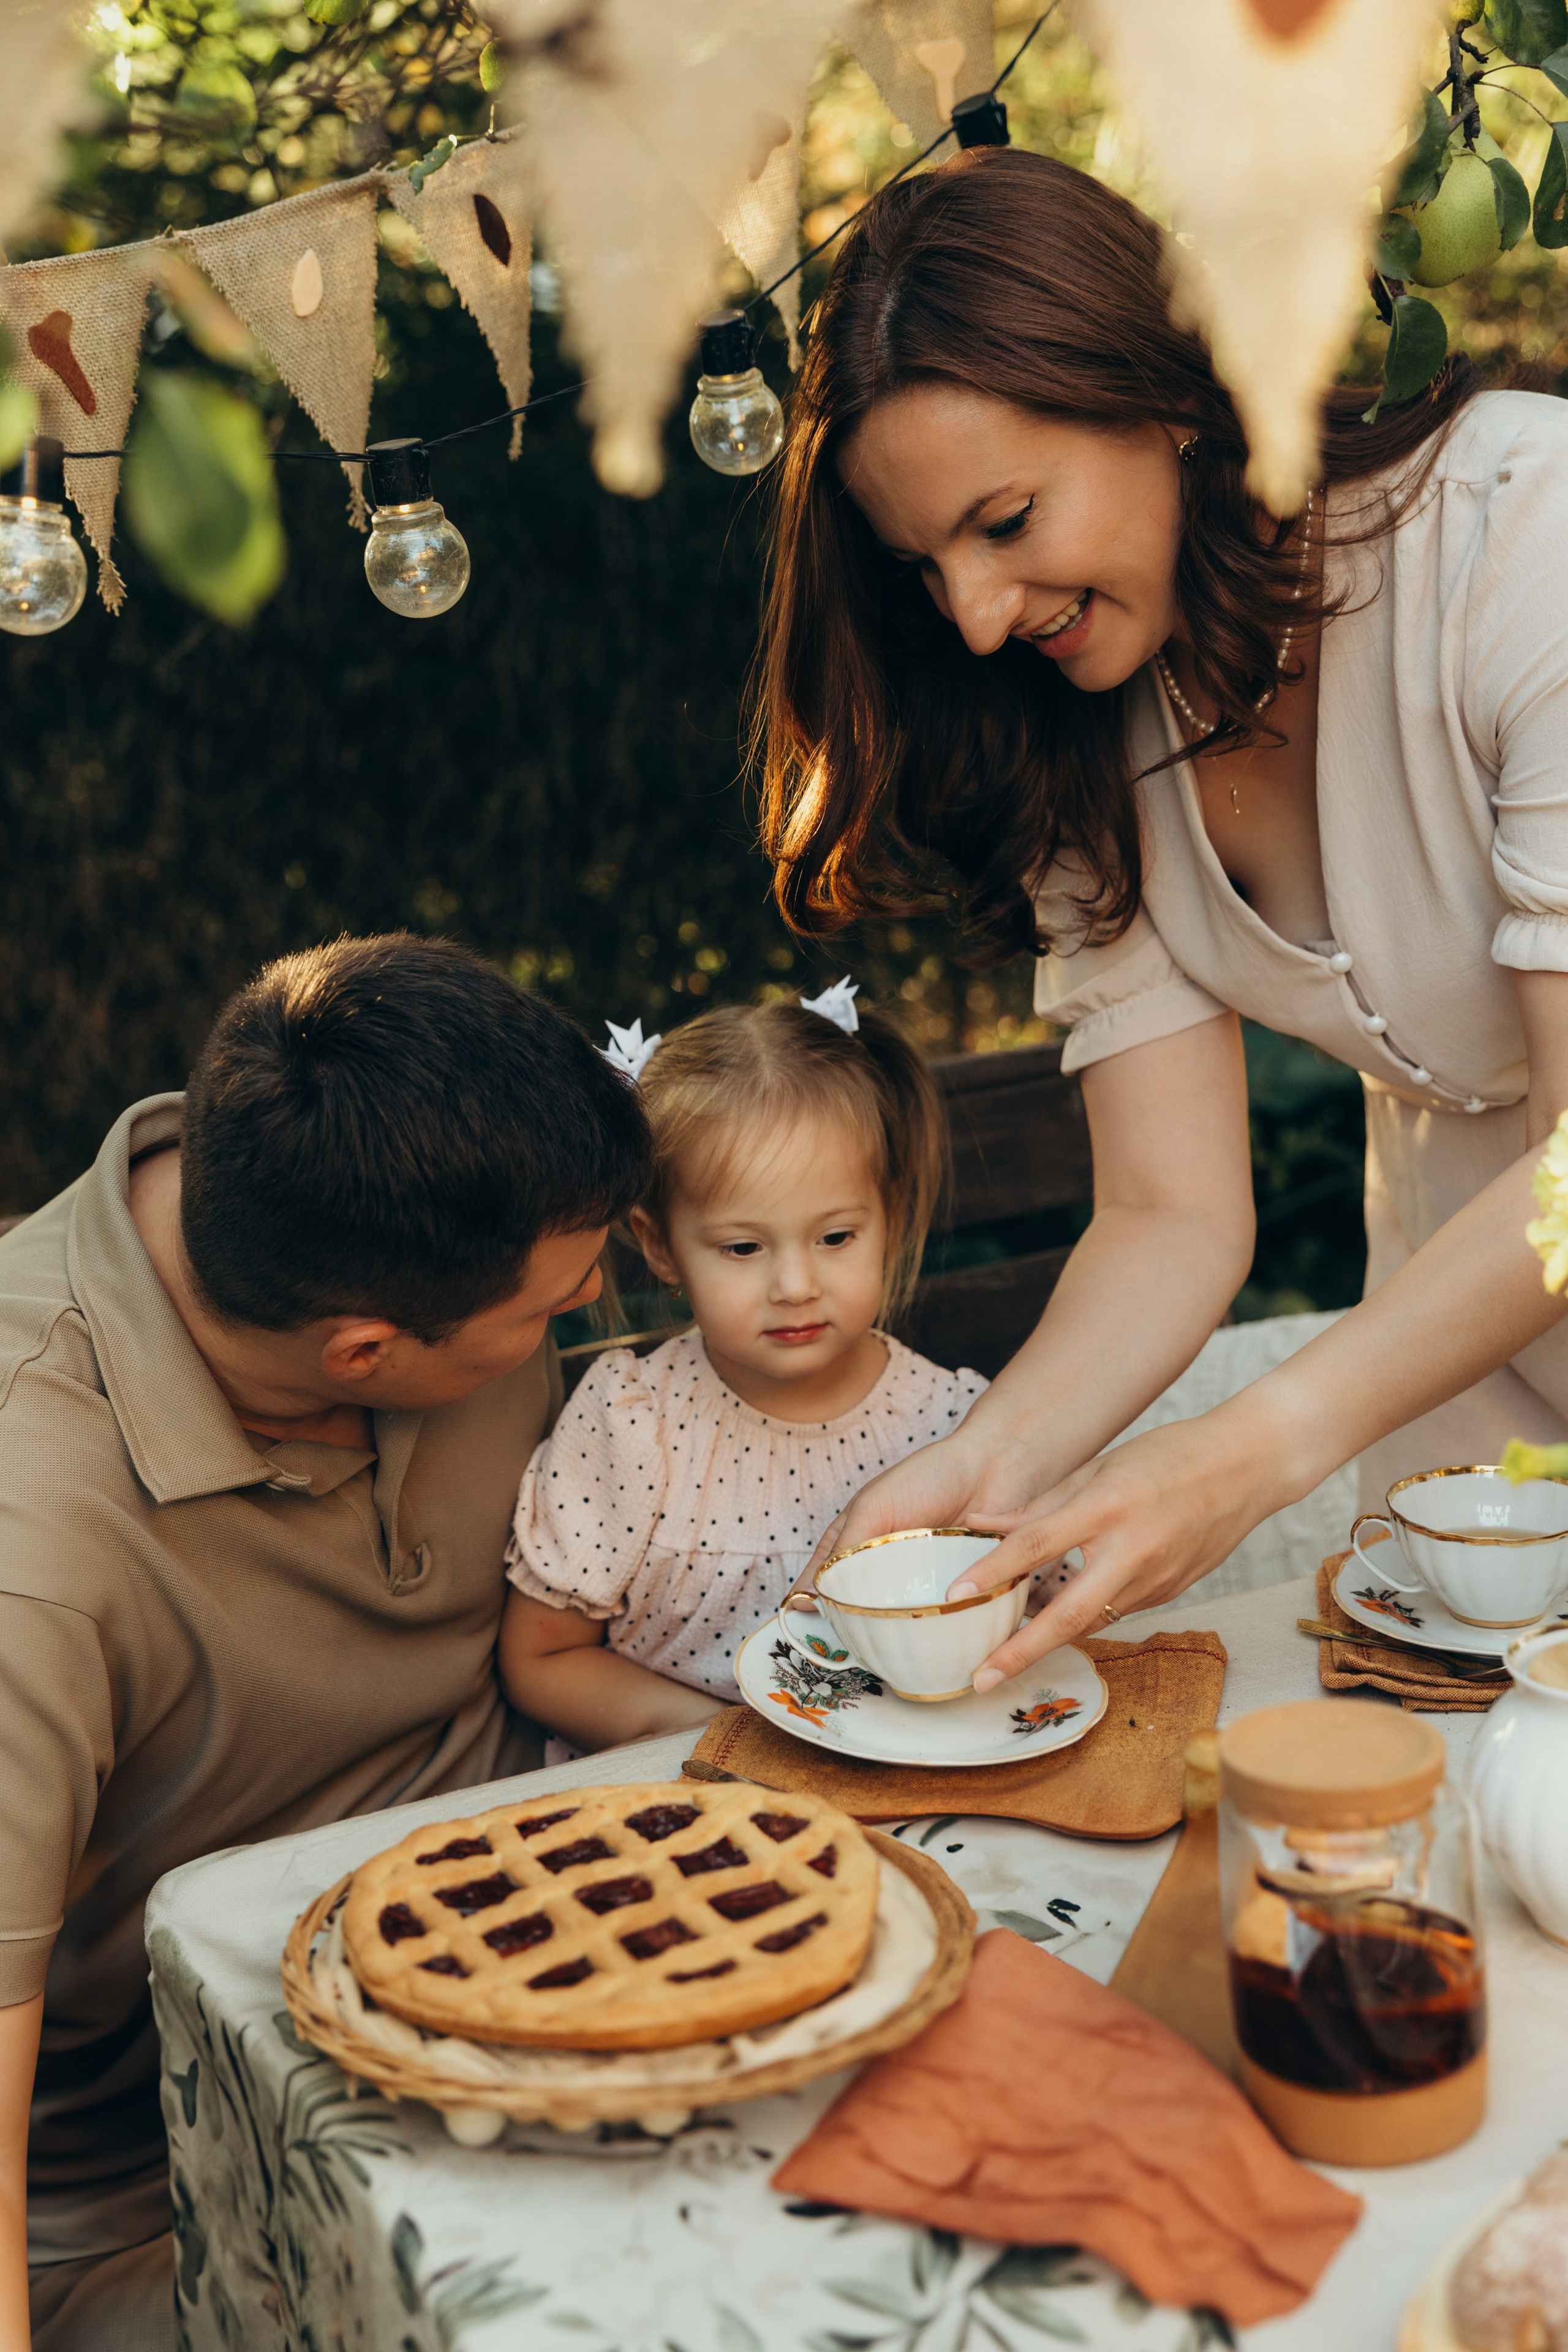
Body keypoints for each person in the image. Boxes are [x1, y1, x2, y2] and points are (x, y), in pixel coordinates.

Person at [753, 144, 1568, 1687]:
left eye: (1003, 520)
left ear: (1171, 397)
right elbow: (1167, 1211)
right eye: (927, 567)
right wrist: (984, 1471)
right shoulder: (1069, 724)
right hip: (1472, 1336)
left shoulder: (1525, 542)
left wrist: (1255, 1441)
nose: (979, 617)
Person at [0, 932, 650, 2352]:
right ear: (362, 1354)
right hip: (159, 2191)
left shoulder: (397, 1166)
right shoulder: (26, 1543)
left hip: (568, 1978)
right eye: (550, 1315)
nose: (594, 1319)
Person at [499, 990, 987, 1749]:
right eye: (743, 1248)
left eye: (834, 1237)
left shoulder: (957, 1427)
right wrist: (727, 1737)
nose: (795, 1285)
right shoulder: (634, 1428)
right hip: (688, 1799)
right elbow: (543, 1657)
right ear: (659, 1246)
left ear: (886, 1216)